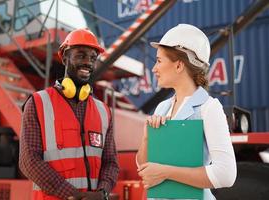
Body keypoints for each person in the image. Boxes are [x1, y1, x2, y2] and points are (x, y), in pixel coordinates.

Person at [136, 24, 237, 200]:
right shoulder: (162, 108)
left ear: (179, 66)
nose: (154, 69)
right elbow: (146, 170)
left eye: (159, 61)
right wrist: (146, 138)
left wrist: (166, 172)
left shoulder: (209, 108)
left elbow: (226, 174)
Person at [19, 28, 119, 200]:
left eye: (93, 58)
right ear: (64, 58)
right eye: (81, 55)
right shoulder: (38, 103)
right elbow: (28, 161)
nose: (88, 62)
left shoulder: (104, 111)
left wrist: (102, 193)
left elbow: (111, 162)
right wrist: (73, 195)